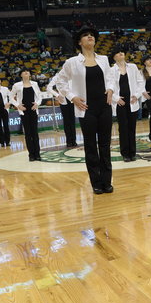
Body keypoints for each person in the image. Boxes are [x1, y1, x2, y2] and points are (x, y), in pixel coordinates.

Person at [55, 27, 115, 194]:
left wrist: (111, 89)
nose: (90, 37)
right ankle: (96, 182)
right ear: (79, 42)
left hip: (105, 106)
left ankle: (107, 181)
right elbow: (60, 82)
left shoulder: (104, 59)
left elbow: (110, 78)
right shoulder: (72, 62)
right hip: (86, 109)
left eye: (92, 35)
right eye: (85, 35)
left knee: (105, 145)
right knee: (90, 146)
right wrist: (72, 97)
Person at [111, 48, 144, 162]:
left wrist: (137, 95)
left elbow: (140, 82)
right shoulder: (111, 70)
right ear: (114, 57)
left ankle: (132, 152)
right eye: (118, 52)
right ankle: (125, 153)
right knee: (123, 128)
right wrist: (116, 98)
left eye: (122, 52)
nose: (121, 53)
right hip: (120, 103)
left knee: (132, 127)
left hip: (132, 101)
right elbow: (108, 86)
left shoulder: (133, 67)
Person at [10, 70, 42, 161]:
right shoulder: (16, 85)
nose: (26, 72)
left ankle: (37, 154)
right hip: (24, 111)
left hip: (33, 109)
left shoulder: (35, 84)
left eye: (27, 71)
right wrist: (18, 105)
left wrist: (37, 103)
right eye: (24, 72)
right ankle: (31, 154)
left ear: (30, 74)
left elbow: (39, 96)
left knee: (35, 132)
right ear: (21, 75)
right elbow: (11, 97)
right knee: (28, 133)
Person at [47, 74, 77, 147]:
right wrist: (57, 95)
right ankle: (68, 141)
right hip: (63, 100)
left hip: (72, 99)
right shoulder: (58, 76)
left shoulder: (71, 75)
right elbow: (49, 87)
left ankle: (74, 141)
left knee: (72, 120)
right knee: (66, 121)